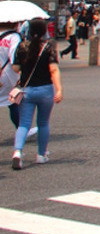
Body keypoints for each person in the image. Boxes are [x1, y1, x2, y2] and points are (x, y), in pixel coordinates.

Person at [9, 18, 61, 170]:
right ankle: (41, 155)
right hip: (45, 89)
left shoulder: (23, 46)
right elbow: (53, 69)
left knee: (24, 124)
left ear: (29, 31)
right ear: (45, 30)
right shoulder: (49, 46)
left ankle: (17, 152)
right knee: (43, 123)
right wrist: (59, 89)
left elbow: (15, 68)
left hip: (27, 90)